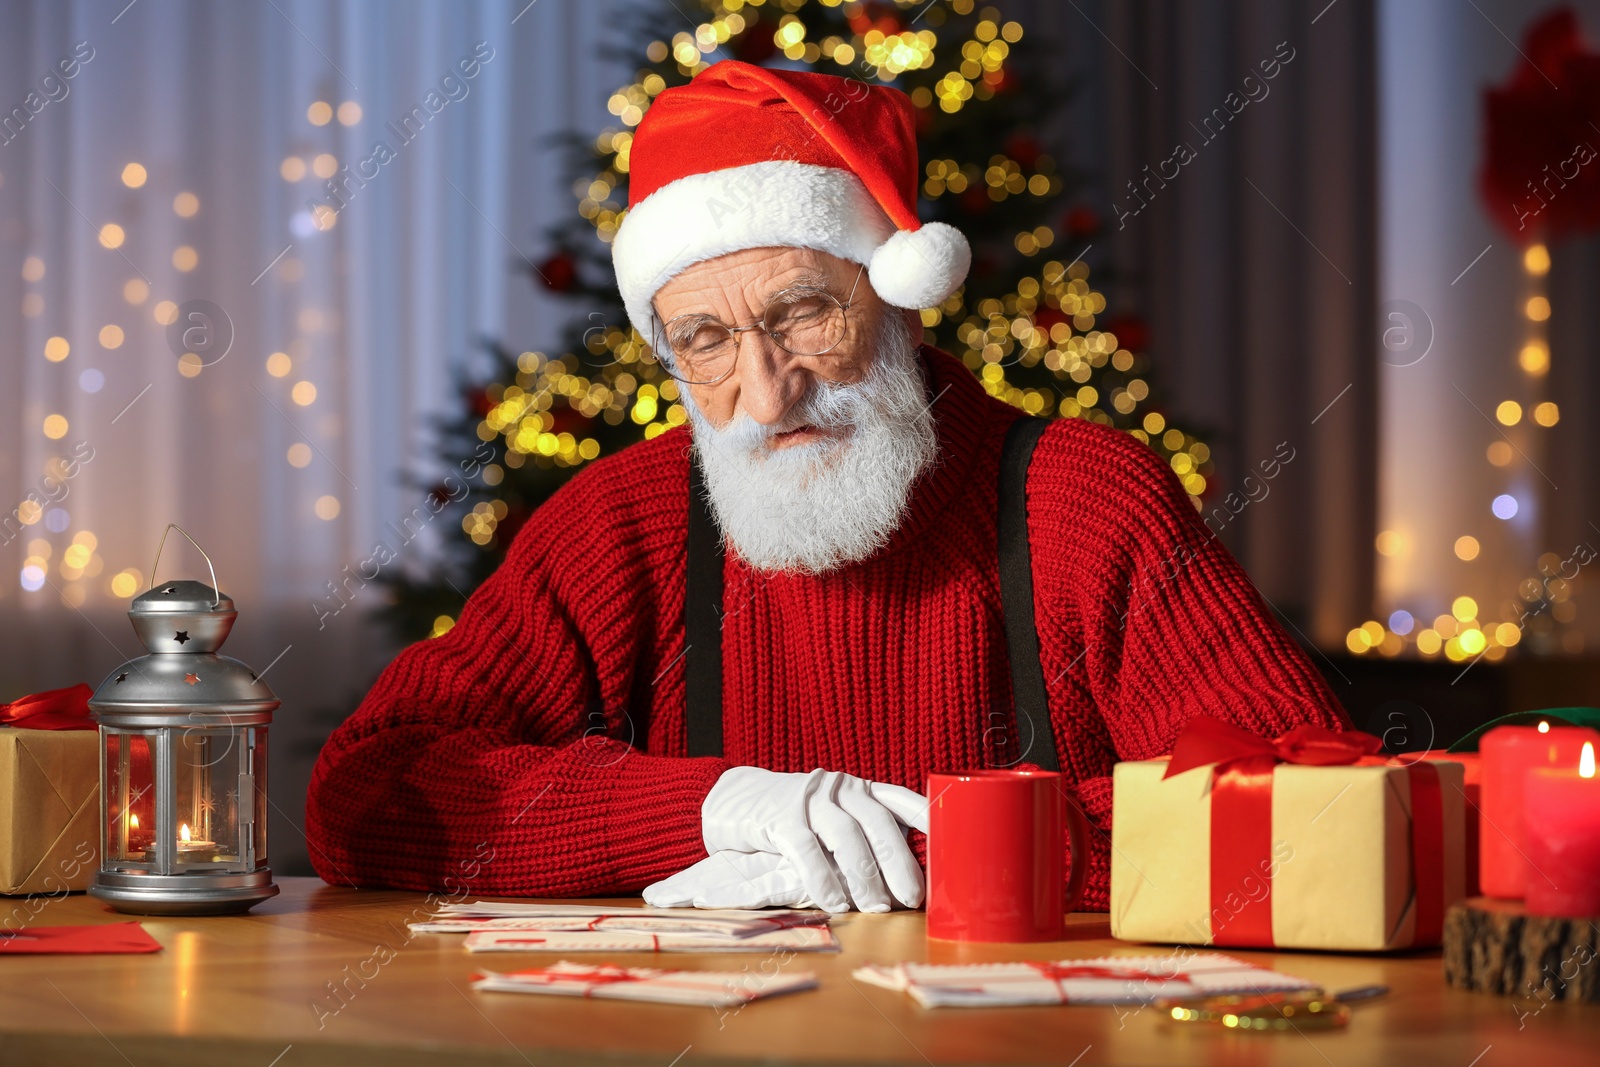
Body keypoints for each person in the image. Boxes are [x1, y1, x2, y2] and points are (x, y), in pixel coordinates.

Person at [306, 60, 1349, 914]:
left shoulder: (1086, 500)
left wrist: (927, 852)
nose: (767, 394)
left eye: (803, 313)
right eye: (706, 340)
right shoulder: (619, 526)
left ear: (900, 304)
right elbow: (364, 793)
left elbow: (1309, 811)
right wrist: (709, 808)